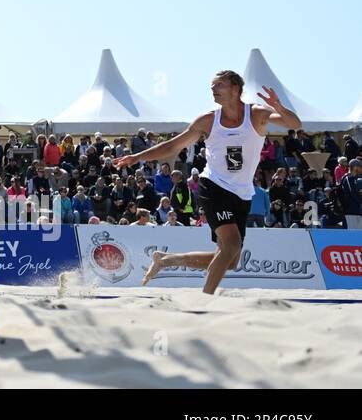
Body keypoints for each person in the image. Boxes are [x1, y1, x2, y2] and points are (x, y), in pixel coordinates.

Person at [116, 71, 300, 294]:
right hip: (213, 186)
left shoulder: (256, 114)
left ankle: (165, 260)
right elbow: (173, 146)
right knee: (231, 245)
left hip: (242, 193)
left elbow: (295, 124)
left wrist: (279, 107)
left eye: (219, 85)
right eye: (212, 85)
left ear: (235, 89)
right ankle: (204, 301)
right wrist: (136, 157)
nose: (213, 88)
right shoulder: (208, 120)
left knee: (230, 260)